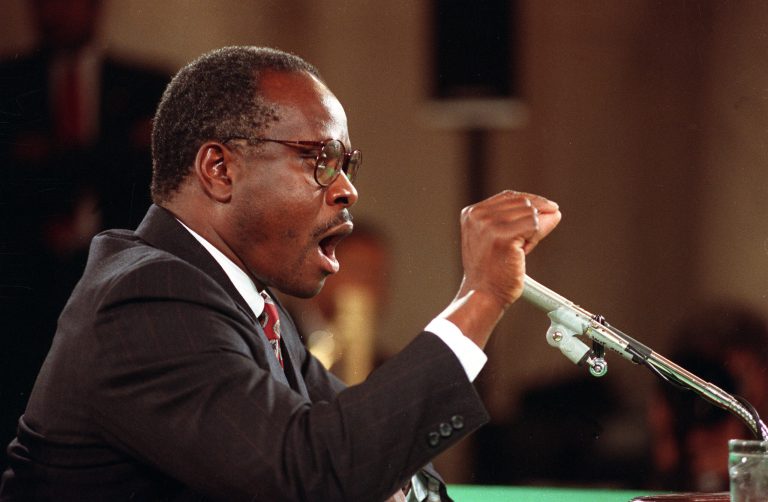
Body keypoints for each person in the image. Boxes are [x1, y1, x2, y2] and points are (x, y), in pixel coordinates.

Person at [0, 46, 561, 501]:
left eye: (347, 164)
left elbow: (361, 444)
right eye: (320, 159)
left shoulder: (251, 304)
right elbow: (309, 473)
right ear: (220, 169)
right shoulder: (147, 297)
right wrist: (480, 296)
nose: (347, 189)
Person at [0, 0, 167, 460]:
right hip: (23, 299)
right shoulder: (10, 85)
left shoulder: (149, 87)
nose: (56, 11)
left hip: (119, 291)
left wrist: (48, 159)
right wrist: (116, 153)